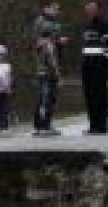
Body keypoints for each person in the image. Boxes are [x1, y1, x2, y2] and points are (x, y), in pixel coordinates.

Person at [33, 2, 67, 137]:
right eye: (54, 9)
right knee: (44, 96)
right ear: (45, 8)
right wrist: (57, 40)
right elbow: (42, 41)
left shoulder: (55, 23)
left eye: (58, 9)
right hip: (44, 66)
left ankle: (45, 124)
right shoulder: (41, 22)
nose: (57, 11)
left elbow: (53, 43)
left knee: (51, 97)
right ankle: (41, 126)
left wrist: (59, 42)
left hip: (54, 65)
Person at [80, 2, 108, 135]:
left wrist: (106, 64)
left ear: (98, 10)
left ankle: (102, 125)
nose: (89, 11)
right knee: (89, 95)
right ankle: (93, 124)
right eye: (87, 8)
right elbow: (86, 46)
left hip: (99, 65)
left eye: (92, 8)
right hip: (87, 64)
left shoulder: (105, 25)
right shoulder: (86, 26)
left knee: (100, 95)